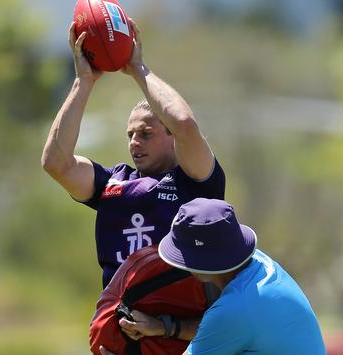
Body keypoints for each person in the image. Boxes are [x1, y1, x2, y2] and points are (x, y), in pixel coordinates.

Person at [41, 19, 225, 289]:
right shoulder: (113, 182)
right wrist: (83, 82)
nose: (135, 142)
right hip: (119, 322)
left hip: (180, 324)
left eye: (146, 134)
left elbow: (184, 122)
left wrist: (137, 68)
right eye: (130, 135)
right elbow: (56, 163)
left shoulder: (195, 180)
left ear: (170, 134)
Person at [92, 198, 331, 355]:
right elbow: (225, 333)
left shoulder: (234, 309)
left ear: (200, 265)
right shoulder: (260, 265)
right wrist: (163, 327)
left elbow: (224, 326)